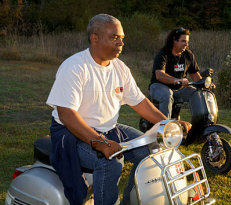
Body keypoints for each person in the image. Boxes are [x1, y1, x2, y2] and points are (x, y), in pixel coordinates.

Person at [46, 14, 191, 205]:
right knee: (110, 162)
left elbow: (140, 102)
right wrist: (100, 142)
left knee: (150, 152)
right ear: (94, 38)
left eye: (122, 37)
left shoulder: (120, 68)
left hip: (109, 128)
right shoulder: (74, 67)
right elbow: (67, 115)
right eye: (114, 37)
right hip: (71, 133)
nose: (121, 43)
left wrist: (169, 123)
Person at [149, 27, 208, 119]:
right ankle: (165, 127)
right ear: (174, 40)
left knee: (198, 94)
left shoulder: (188, 55)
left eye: (187, 41)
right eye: (183, 41)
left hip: (179, 89)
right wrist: (177, 80)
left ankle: (202, 125)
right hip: (159, 86)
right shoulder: (163, 54)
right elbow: (159, 75)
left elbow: (195, 76)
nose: (186, 44)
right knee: (167, 95)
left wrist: (205, 83)